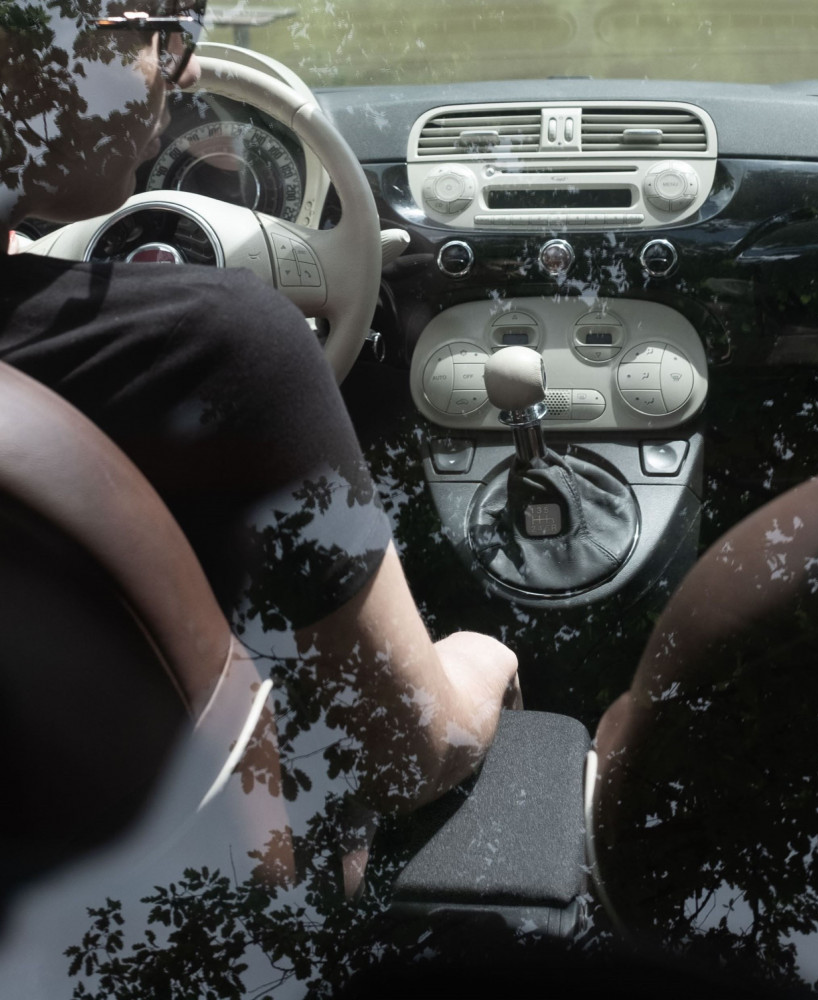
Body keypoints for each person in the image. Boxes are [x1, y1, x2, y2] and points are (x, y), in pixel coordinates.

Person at [0, 0, 518, 830]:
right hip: (198, 881)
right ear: (23, 46)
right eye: (161, 28)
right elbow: (407, 754)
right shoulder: (227, 348)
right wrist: (489, 653)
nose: (188, 67)